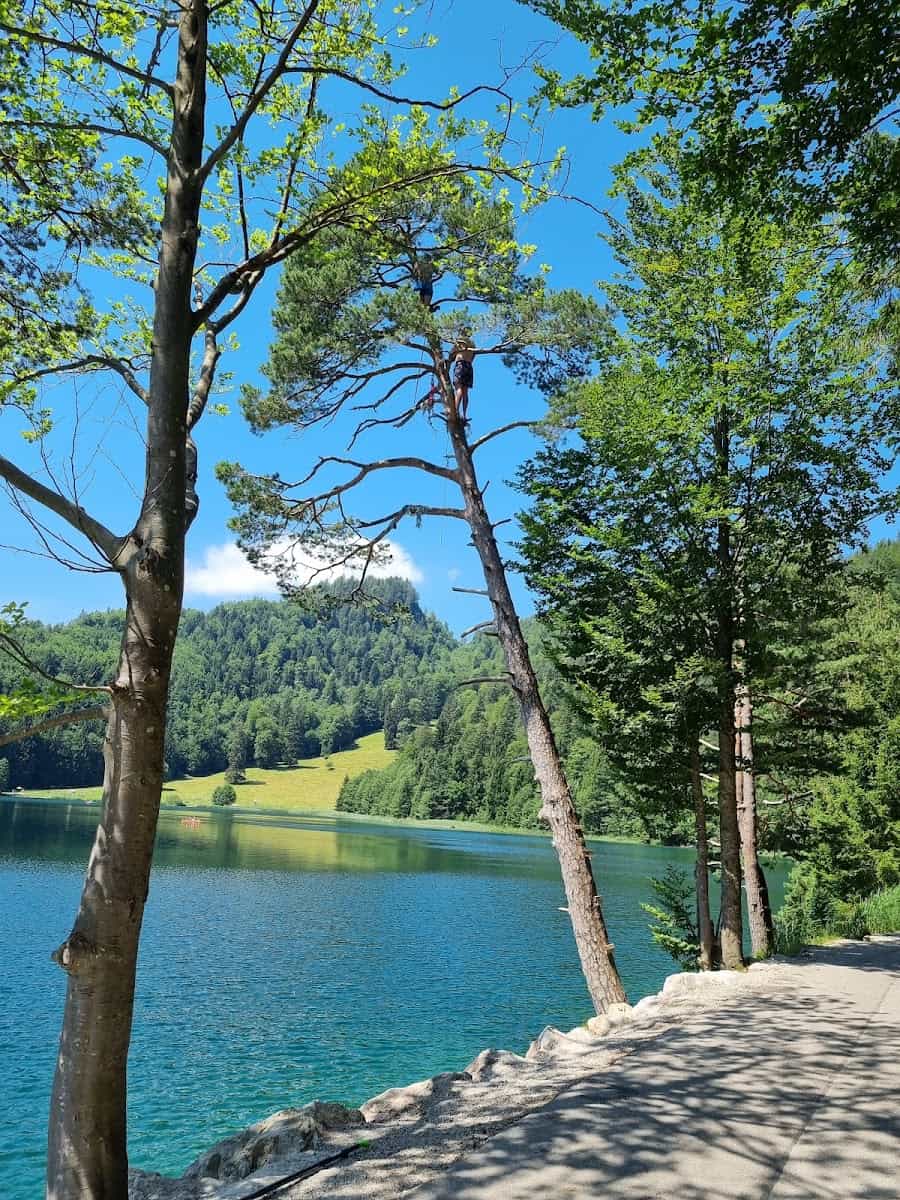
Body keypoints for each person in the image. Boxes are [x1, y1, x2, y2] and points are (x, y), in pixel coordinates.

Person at [449, 330, 475, 422]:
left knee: (458, 389)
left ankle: (455, 411)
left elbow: (451, 354)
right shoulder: (472, 343)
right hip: (469, 366)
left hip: (460, 364)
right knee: (465, 392)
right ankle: (464, 415)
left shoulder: (460, 341)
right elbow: (473, 357)